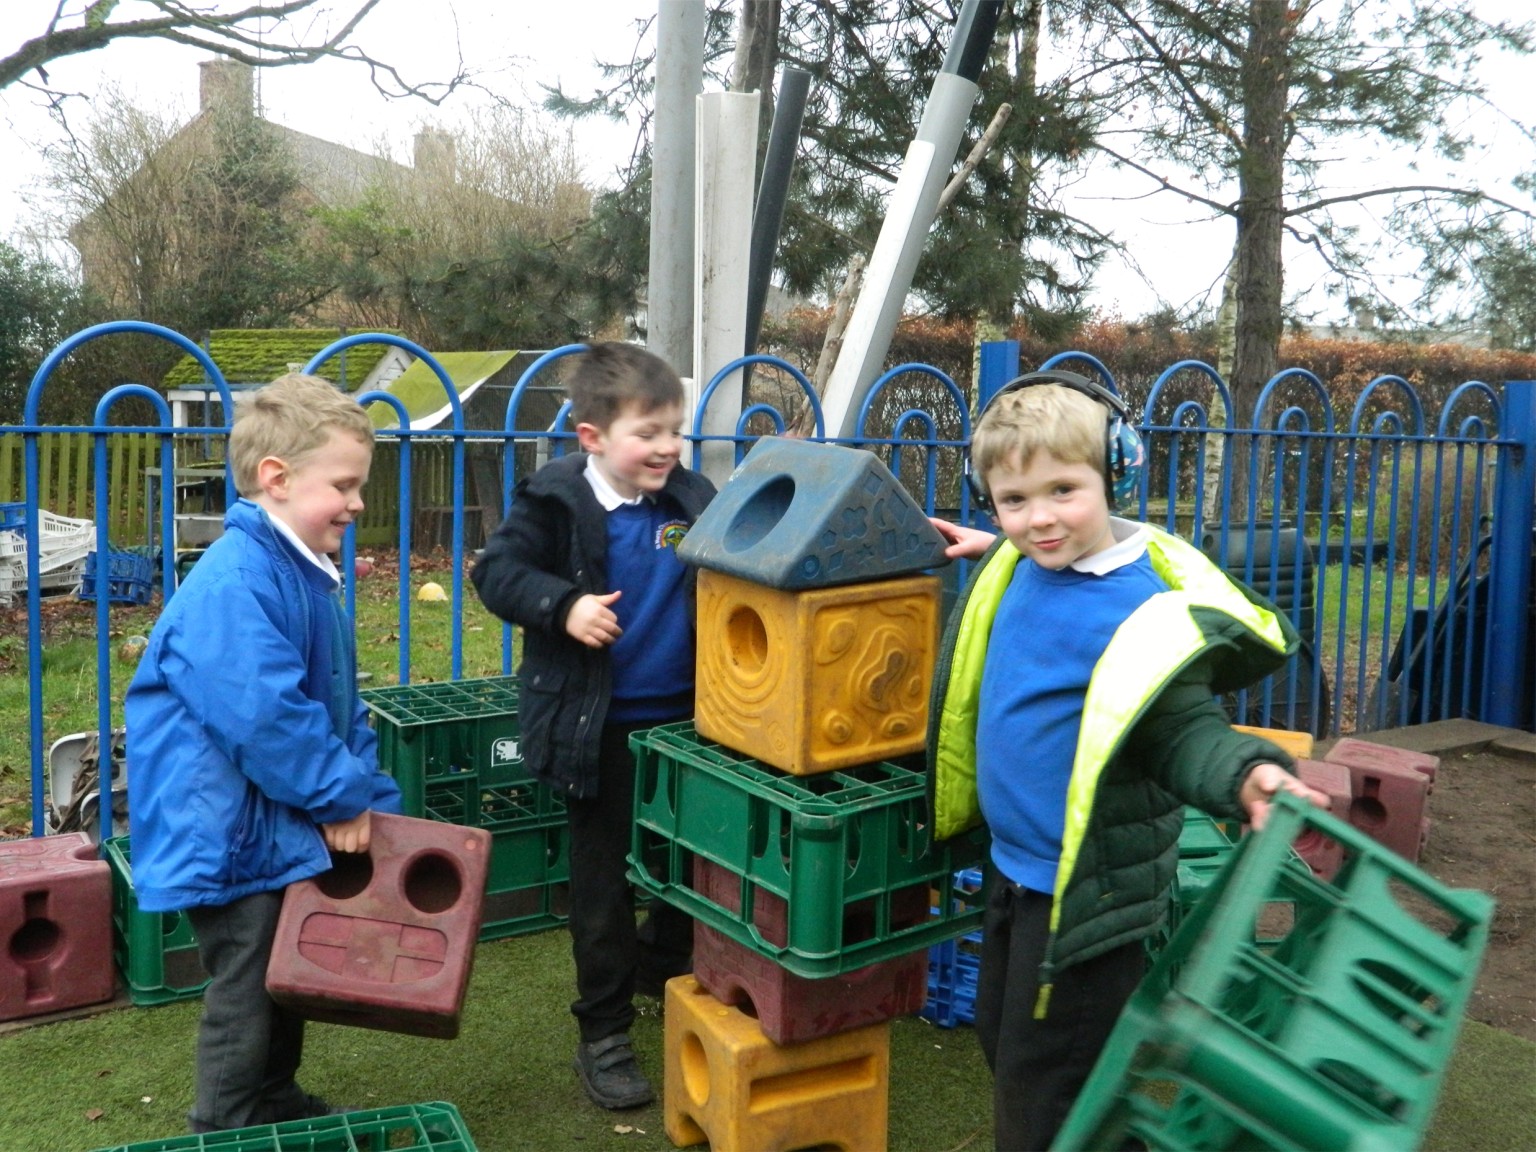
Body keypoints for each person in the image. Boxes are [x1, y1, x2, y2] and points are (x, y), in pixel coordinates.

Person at [927, 370, 1328, 1151]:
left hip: (1087, 898)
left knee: (1046, 1090)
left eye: (1062, 492)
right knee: (1006, 1046)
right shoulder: (1024, 562)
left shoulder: (1139, 611)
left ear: (1117, 471)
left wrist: (1246, 773)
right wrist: (992, 543)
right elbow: (1035, 552)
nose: (1039, 519)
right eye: (1013, 501)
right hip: (1017, 874)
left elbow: (1184, 731)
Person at [126, 372, 402, 1134]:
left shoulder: (300, 572)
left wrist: (371, 796)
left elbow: (337, 704)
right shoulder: (237, 579)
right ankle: (224, 1125)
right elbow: (264, 715)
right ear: (276, 479)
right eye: (343, 485)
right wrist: (339, 795)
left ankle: (272, 1099)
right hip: (221, 827)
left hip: (265, 819)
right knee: (247, 986)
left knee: (285, 967)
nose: (356, 503)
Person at [470, 342, 716, 1110]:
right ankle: (603, 1032)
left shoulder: (691, 498)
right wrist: (563, 605)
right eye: (647, 433)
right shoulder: (555, 502)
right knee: (603, 885)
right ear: (592, 438)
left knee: (693, 861)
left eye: (673, 430)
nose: (666, 448)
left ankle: (662, 959)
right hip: (597, 730)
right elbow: (497, 574)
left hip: (687, 728)